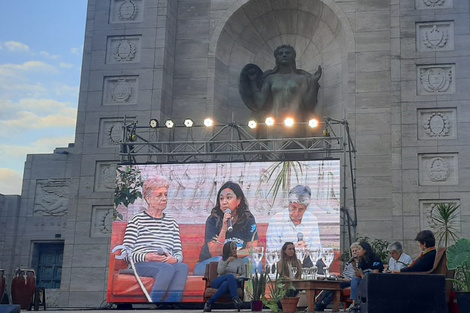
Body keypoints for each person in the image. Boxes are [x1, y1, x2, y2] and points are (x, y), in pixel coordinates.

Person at [122, 176, 189, 302]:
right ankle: (152, 307)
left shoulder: (172, 223)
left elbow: (179, 254)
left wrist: (174, 259)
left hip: (165, 263)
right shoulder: (136, 221)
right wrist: (147, 257)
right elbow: (125, 253)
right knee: (166, 268)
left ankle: (170, 306)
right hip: (141, 264)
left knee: (182, 267)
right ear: (148, 198)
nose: (164, 199)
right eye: (159, 195)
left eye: (165, 195)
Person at [239, 45, 322, 125]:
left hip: (297, 121)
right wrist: (253, 82)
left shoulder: (302, 78)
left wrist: (314, 83)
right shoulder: (270, 78)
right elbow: (260, 103)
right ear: (276, 58)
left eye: (287, 53)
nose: (284, 55)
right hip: (274, 121)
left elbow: (310, 104)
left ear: (293, 56)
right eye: (280, 53)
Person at [194, 181, 259, 275]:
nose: (224, 202)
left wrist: (233, 256)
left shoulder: (248, 219)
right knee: (219, 262)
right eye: (221, 198)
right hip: (210, 263)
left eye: (229, 197)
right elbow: (215, 253)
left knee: (254, 264)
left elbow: (253, 250)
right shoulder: (213, 219)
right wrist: (224, 227)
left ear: (238, 201)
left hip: (236, 261)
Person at [266, 185, 321, 266]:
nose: (296, 213)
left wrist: (307, 249)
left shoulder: (312, 220)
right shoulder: (276, 220)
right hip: (282, 264)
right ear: (289, 204)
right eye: (293, 207)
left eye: (301, 209)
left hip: (305, 263)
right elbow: (271, 252)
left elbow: (318, 250)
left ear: (306, 208)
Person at [315, 242, 360, 312]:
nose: (354, 253)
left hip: (350, 281)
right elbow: (345, 273)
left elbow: (357, 277)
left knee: (336, 287)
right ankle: (321, 303)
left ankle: (322, 304)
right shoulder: (350, 262)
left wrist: (345, 279)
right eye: (353, 251)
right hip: (343, 279)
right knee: (330, 284)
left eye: (356, 251)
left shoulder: (361, 262)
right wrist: (340, 277)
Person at [203, 242, 246, 312]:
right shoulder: (223, 261)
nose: (235, 250)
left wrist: (237, 277)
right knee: (230, 276)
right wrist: (227, 262)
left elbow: (244, 274)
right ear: (228, 250)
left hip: (233, 283)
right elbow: (220, 272)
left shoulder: (240, 261)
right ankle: (236, 299)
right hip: (219, 281)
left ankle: (209, 303)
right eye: (233, 249)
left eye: (236, 248)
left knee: (226, 284)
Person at [349, 241, 384, 312]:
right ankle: (354, 303)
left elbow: (375, 274)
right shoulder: (361, 261)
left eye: (359, 249)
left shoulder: (375, 259)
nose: (357, 252)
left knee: (364, 281)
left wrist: (364, 278)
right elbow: (359, 275)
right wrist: (355, 266)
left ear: (365, 250)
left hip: (374, 280)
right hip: (364, 279)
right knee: (355, 280)